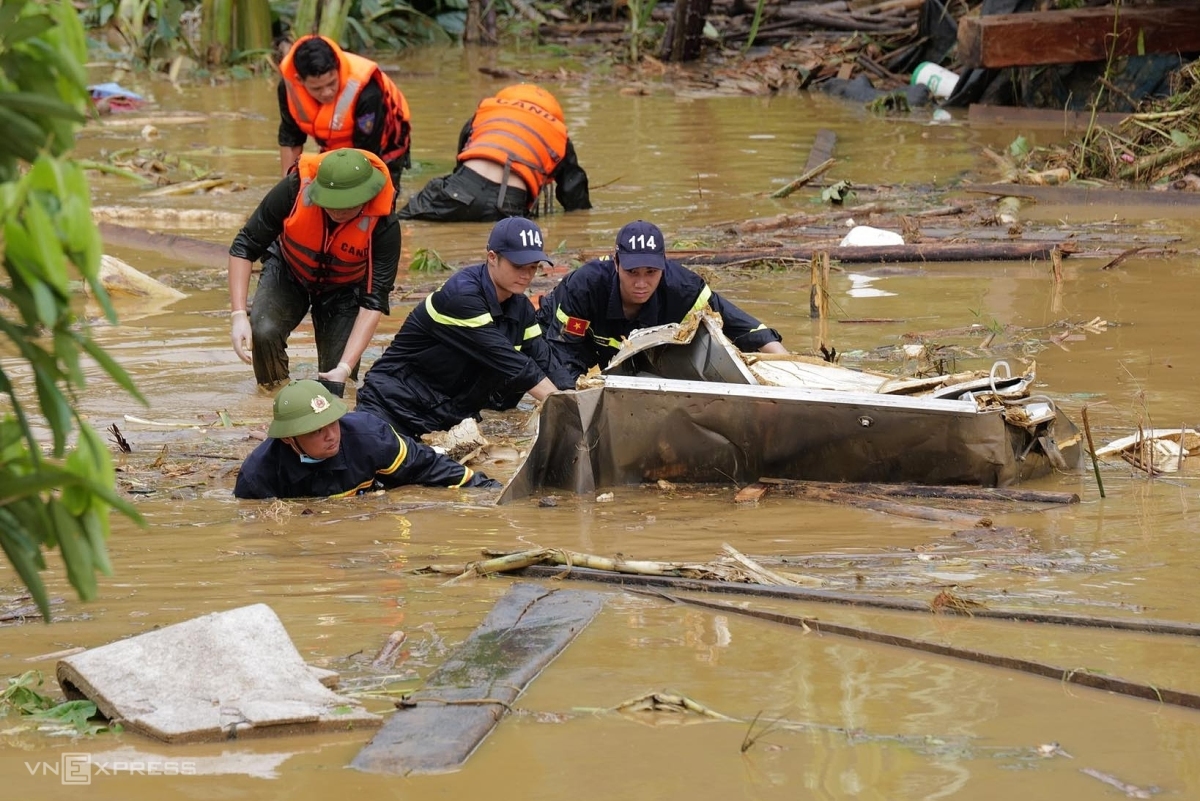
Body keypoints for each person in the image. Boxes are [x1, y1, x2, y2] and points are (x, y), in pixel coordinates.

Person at [356, 217, 575, 438]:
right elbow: (512, 363)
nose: (526, 275)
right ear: (492, 257)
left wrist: (573, 395)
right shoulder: (462, 296)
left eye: (533, 267)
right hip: (392, 409)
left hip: (446, 419)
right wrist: (566, 409)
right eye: (518, 265)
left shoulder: (521, 308)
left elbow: (543, 357)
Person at [228, 148, 398, 390]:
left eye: (346, 206)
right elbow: (245, 245)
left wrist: (345, 368)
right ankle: (272, 396)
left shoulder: (384, 225)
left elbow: (373, 302)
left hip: (345, 289)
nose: (337, 211)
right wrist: (237, 316)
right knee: (263, 330)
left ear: (366, 197)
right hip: (289, 271)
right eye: (330, 204)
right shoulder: (295, 187)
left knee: (336, 385)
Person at [537, 220, 788, 382]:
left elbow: (741, 327)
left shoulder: (684, 288)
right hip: (574, 337)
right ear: (616, 264)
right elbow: (563, 353)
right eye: (632, 272)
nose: (641, 283)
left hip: (633, 351)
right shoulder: (585, 287)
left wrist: (785, 364)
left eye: (651, 273)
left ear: (664, 266)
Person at [234, 380, 500, 499]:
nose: (330, 436)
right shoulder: (258, 476)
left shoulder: (370, 438)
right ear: (289, 440)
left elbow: (428, 467)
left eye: (332, 423)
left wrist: (486, 489)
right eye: (315, 430)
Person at [397, 83, 590, 222]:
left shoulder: (485, 114)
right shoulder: (558, 134)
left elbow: (461, 162)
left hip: (460, 191)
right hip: (508, 205)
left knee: (401, 220)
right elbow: (573, 191)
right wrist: (580, 217)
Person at [277, 35, 412, 191]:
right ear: (299, 80)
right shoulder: (289, 89)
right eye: (317, 89)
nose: (327, 93)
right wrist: (288, 189)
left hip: (384, 140)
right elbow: (290, 137)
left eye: (332, 83)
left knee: (378, 195)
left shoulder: (367, 91)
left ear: (338, 68)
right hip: (333, 140)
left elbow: (367, 152)